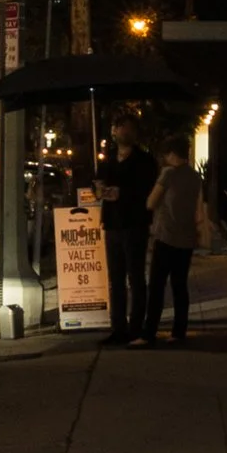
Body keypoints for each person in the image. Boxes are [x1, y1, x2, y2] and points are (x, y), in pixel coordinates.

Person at [96, 116, 156, 343]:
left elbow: (148, 190)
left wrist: (123, 192)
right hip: (112, 223)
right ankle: (118, 327)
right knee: (116, 279)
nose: (122, 131)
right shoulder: (109, 159)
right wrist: (100, 190)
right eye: (119, 127)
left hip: (135, 224)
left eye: (126, 128)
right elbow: (99, 184)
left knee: (136, 276)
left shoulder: (144, 160)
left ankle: (136, 326)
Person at [140, 141, 202, 344]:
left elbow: (150, 202)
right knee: (179, 286)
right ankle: (178, 332)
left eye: (167, 154)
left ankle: (149, 333)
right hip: (187, 238)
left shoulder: (168, 174)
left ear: (173, 154)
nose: (165, 158)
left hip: (166, 236)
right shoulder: (195, 176)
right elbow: (198, 209)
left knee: (157, 286)